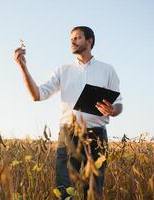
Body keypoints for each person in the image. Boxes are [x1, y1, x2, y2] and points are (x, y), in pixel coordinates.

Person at [14, 26, 123, 199]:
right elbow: (37, 95)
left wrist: (112, 110)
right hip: (68, 135)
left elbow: (118, 105)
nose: (73, 41)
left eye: (78, 37)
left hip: (97, 137)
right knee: (64, 191)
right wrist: (23, 67)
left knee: (94, 192)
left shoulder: (107, 70)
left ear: (89, 41)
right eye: (71, 38)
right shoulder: (62, 70)